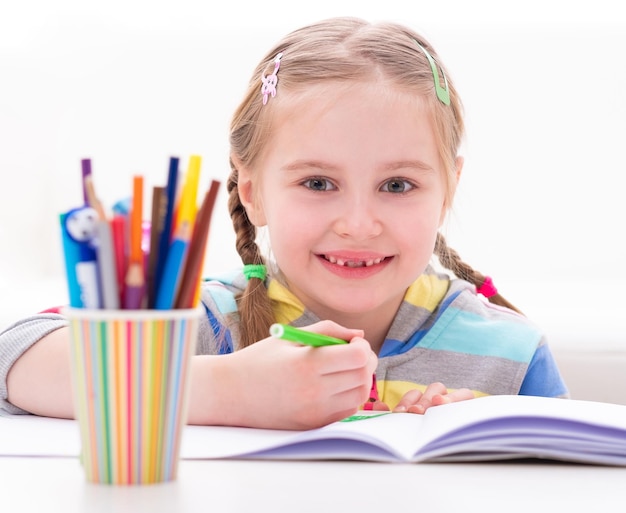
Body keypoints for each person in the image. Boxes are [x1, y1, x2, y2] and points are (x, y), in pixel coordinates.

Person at [0, 17, 568, 430]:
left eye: (398, 186)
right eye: (318, 184)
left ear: (448, 190)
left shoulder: (511, 354)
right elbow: (14, 354)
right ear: (253, 192)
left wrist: (489, 440)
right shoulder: (209, 326)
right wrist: (227, 390)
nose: (358, 224)